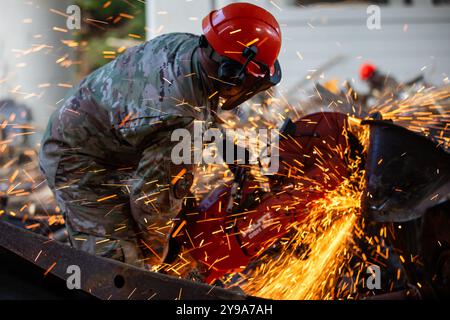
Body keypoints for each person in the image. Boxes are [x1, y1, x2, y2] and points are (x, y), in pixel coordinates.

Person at [39, 2, 282, 273]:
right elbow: (154, 202)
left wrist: (234, 154)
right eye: (246, 81)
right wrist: (162, 256)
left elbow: (198, 106)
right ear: (228, 72)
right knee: (120, 266)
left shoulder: (193, 50)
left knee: (177, 214)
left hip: (114, 138)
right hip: (77, 157)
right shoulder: (179, 120)